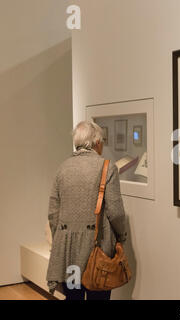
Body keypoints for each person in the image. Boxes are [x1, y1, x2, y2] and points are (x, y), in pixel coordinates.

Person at [46, 121, 127, 300]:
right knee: (98, 296)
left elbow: (53, 213)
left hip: (69, 251)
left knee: (73, 296)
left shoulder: (63, 168)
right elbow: (116, 212)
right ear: (97, 142)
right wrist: (121, 237)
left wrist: (60, 236)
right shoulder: (107, 167)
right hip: (97, 248)